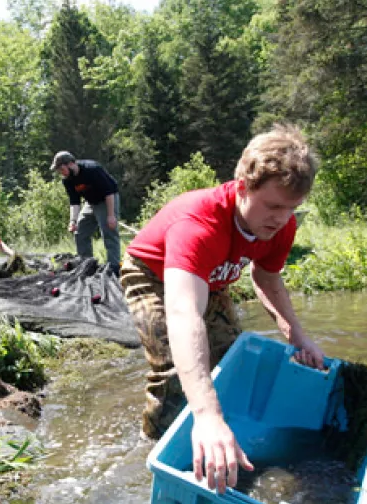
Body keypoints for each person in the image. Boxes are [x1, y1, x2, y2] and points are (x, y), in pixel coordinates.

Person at [120, 124, 325, 494]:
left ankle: (220, 439)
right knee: (174, 373)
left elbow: (267, 279)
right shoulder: (199, 224)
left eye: (292, 208)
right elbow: (184, 313)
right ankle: (151, 452)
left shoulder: (282, 225)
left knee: (228, 359)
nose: (281, 219)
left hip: (210, 278)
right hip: (152, 274)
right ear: (243, 186)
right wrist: (207, 414)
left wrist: (297, 335)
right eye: (274, 206)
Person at [50, 151, 121, 274]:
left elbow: (109, 192)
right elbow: (74, 202)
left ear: (71, 164)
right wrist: (73, 221)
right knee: (80, 231)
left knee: (109, 233)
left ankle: (114, 267)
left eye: (62, 169)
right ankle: (87, 264)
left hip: (107, 200)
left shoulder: (92, 169)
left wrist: (110, 216)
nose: (61, 173)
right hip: (90, 203)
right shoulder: (67, 180)